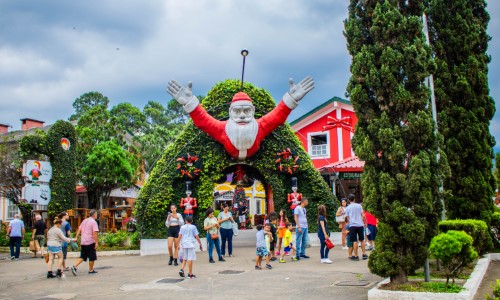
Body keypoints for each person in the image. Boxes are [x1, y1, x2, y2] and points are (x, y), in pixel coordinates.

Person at [167, 77, 314, 160]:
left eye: (246, 111)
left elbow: (277, 116)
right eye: (238, 111)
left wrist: (291, 99)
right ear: (230, 112)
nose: (242, 115)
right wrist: (189, 102)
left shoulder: (259, 126)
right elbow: (204, 121)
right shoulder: (223, 129)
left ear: (253, 111)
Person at [71, 209, 99, 275]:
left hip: (83, 241)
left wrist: (76, 237)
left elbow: (79, 229)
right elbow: (95, 233)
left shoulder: (84, 220)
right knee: (92, 257)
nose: (97, 215)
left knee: (82, 256)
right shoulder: (93, 222)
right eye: (96, 214)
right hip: (90, 241)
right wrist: (96, 242)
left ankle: (74, 266)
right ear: (94, 215)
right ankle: (91, 270)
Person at [344, 194, 367, 261]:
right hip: (360, 225)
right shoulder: (359, 206)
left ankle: (356, 255)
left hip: (352, 225)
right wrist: (364, 222)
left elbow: (346, 217)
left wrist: (348, 224)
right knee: (362, 240)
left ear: (348, 200)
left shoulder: (347, 208)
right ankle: (364, 254)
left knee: (354, 241)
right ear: (354, 199)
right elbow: (363, 215)